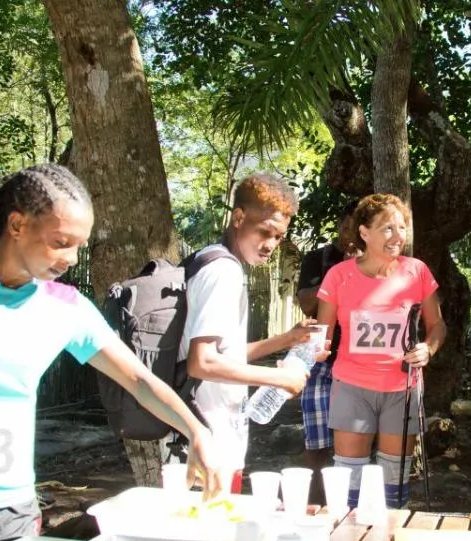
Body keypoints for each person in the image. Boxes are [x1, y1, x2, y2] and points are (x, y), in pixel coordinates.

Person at [0, 164, 223, 541]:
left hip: (5, 514)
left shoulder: (65, 306)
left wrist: (196, 431)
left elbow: (138, 379)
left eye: (79, 246)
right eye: (61, 243)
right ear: (17, 224)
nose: (71, 259)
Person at [178, 173, 321, 494]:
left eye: (279, 237)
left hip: (214, 436)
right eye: (265, 232)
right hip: (207, 440)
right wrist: (277, 378)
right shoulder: (223, 272)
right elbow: (201, 364)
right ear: (238, 218)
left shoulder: (209, 260)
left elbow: (223, 355)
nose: (271, 245)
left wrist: (287, 339)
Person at [316, 193, 446, 509]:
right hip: (352, 387)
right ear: (364, 232)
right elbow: (322, 335)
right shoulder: (339, 275)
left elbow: (438, 326)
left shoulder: (417, 271)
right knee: (349, 485)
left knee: (394, 486)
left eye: (402, 228)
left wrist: (428, 349)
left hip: (402, 388)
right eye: (387, 228)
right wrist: (314, 351)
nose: (397, 236)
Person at [296, 200, 357, 504]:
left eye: (356, 229)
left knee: (355, 447)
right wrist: (338, 275)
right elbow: (306, 302)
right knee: (317, 445)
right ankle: (311, 508)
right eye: (346, 227)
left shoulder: (373, 265)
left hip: (359, 365)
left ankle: (347, 511)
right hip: (321, 363)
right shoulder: (318, 259)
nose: (349, 235)